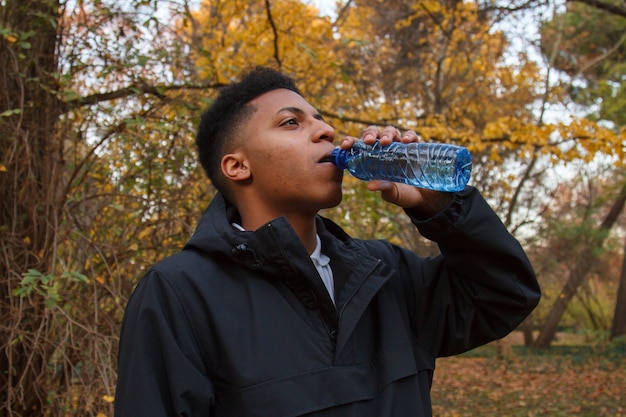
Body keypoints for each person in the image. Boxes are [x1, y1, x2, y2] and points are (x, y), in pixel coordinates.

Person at [114, 66, 540, 417]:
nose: (326, 131)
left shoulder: (384, 271)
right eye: (291, 122)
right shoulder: (178, 294)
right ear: (238, 166)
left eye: (320, 120)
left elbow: (504, 295)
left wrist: (441, 208)